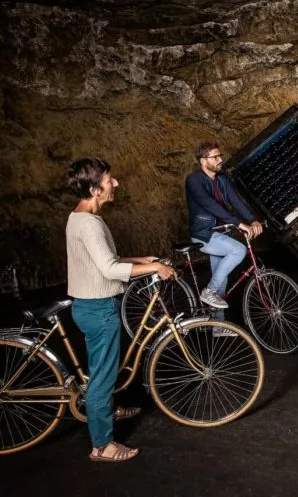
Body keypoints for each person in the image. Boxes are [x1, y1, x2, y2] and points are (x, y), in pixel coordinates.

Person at [66, 157, 176, 462]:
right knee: (102, 377)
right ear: (94, 188)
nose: (115, 183)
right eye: (109, 179)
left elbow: (103, 260)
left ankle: (109, 410)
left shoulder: (82, 217)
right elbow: (110, 269)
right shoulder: (89, 224)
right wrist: (154, 266)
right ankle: (102, 445)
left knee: (104, 370)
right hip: (98, 309)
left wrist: (141, 259)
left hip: (92, 306)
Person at [185, 142, 263, 312]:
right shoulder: (194, 180)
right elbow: (210, 205)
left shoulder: (222, 179)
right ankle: (209, 291)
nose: (220, 160)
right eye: (215, 157)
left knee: (221, 279)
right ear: (203, 161)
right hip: (204, 234)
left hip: (220, 233)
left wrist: (253, 220)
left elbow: (236, 202)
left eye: (220, 156)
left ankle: (218, 327)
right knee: (238, 250)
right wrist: (239, 223)